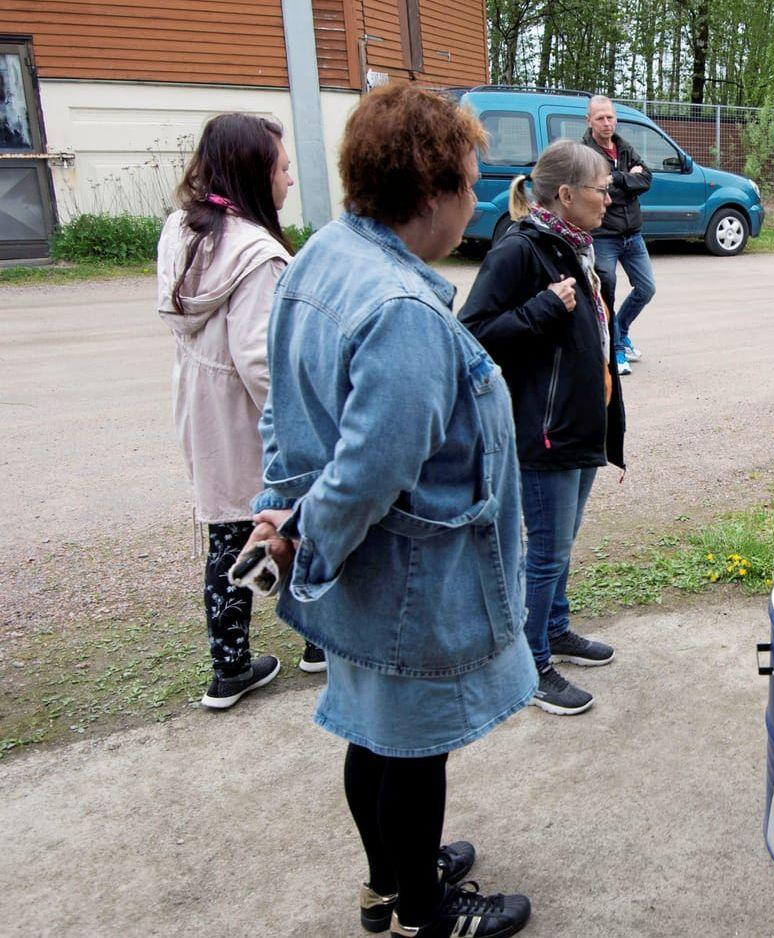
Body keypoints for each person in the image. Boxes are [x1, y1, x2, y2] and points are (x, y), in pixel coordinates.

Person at [247, 85, 534, 938]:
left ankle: (389, 880)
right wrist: (314, 542)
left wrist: (281, 512)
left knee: (372, 732)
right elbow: (374, 469)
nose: (479, 199)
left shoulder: (323, 256)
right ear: (432, 189)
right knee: (411, 747)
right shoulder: (402, 311)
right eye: (472, 182)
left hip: (356, 569)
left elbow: (281, 410)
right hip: (404, 576)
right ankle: (426, 911)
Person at [156, 112, 323, 710]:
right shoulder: (257, 254)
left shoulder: (182, 227)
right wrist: (297, 432)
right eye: (282, 167)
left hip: (201, 406)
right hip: (249, 417)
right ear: (255, 172)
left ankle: (230, 664)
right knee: (290, 524)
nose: (289, 181)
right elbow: (260, 361)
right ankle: (316, 642)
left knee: (229, 533)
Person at [460, 139, 625, 717]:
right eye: (600, 189)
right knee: (546, 552)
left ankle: (554, 629)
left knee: (562, 545)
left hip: (580, 425)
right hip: (545, 430)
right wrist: (543, 310)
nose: (609, 198)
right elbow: (472, 333)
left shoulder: (572, 245)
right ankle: (531, 664)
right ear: (565, 194)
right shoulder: (521, 250)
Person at [580, 94, 654, 375]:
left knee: (646, 289)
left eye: (610, 117)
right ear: (589, 121)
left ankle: (620, 331)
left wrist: (618, 178)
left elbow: (646, 179)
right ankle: (615, 351)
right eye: (600, 118)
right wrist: (627, 180)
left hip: (632, 234)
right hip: (604, 236)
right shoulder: (585, 153)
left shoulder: (623, 147)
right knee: (606, 293)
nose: (606, 122)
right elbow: (594, 189)